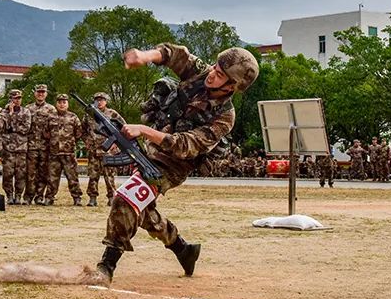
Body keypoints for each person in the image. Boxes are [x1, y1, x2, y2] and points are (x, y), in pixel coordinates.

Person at [96, 43, 259, 282]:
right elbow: (175, 54)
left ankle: (106, 266)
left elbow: (186, 145)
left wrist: (143, 130)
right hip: (151, 149)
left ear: (232, 86)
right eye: (215, 67)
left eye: (220, 74)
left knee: (126, 199)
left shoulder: (225, 117)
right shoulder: (201, 73)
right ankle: (183, 249)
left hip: (173, 166)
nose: (212, 74)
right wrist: (144, 56)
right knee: (142, 208)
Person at [84, 92, 125, 206]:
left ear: (106, 101)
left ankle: (112, 197)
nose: (99, 102)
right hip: (93, 150)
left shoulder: (112, 114)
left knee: (109, 175)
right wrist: (87, 142)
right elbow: (83, 130)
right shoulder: (88, 115)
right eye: (97, 100)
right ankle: (92, 198)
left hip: (108, 151)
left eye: (102, 100)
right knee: (93, 175)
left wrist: (116, 143)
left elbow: (124, 128)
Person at [46, 93, 84, 206]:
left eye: (64, 102)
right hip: (54, 153)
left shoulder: (73, 117)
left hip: (69, 153)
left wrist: (70, 143)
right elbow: (46, 133)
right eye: (59, 102)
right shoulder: (50, 117)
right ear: (56, 104)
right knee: (52, 178)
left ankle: (77, 198)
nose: (62, 104)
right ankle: (49, 197)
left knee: (73, 177)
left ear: (67, 104)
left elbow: (78, 133)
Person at [1, 89, 31, 205]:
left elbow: (26, 128)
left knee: (20, 174)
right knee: (7, 174)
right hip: (8, 148)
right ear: (10, 99)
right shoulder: (3, 113)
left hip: (21, 148)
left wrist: (12, 126)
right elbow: (3, 127)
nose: (17, 101)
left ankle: (18, 195)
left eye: (19, 98)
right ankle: (9, 195)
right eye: (15, 99)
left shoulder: (26, 112)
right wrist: (11, 113)